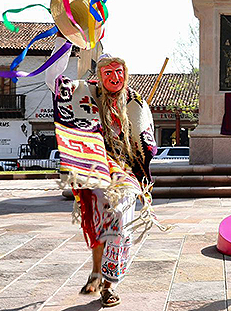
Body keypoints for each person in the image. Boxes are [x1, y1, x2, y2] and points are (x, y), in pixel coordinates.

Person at [46, 37, 160, 307]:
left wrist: (143, 145)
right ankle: (97, 273)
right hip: (93, 167)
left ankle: (109, 283)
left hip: (124, 171)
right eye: (108, 72)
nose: (115, 77)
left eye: (119, 71)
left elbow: (146, 141)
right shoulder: (83, 92)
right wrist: (65, 40)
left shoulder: (135, 102)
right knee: (99, 222)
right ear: (100, 75)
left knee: (120, 216)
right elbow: (53, 77)